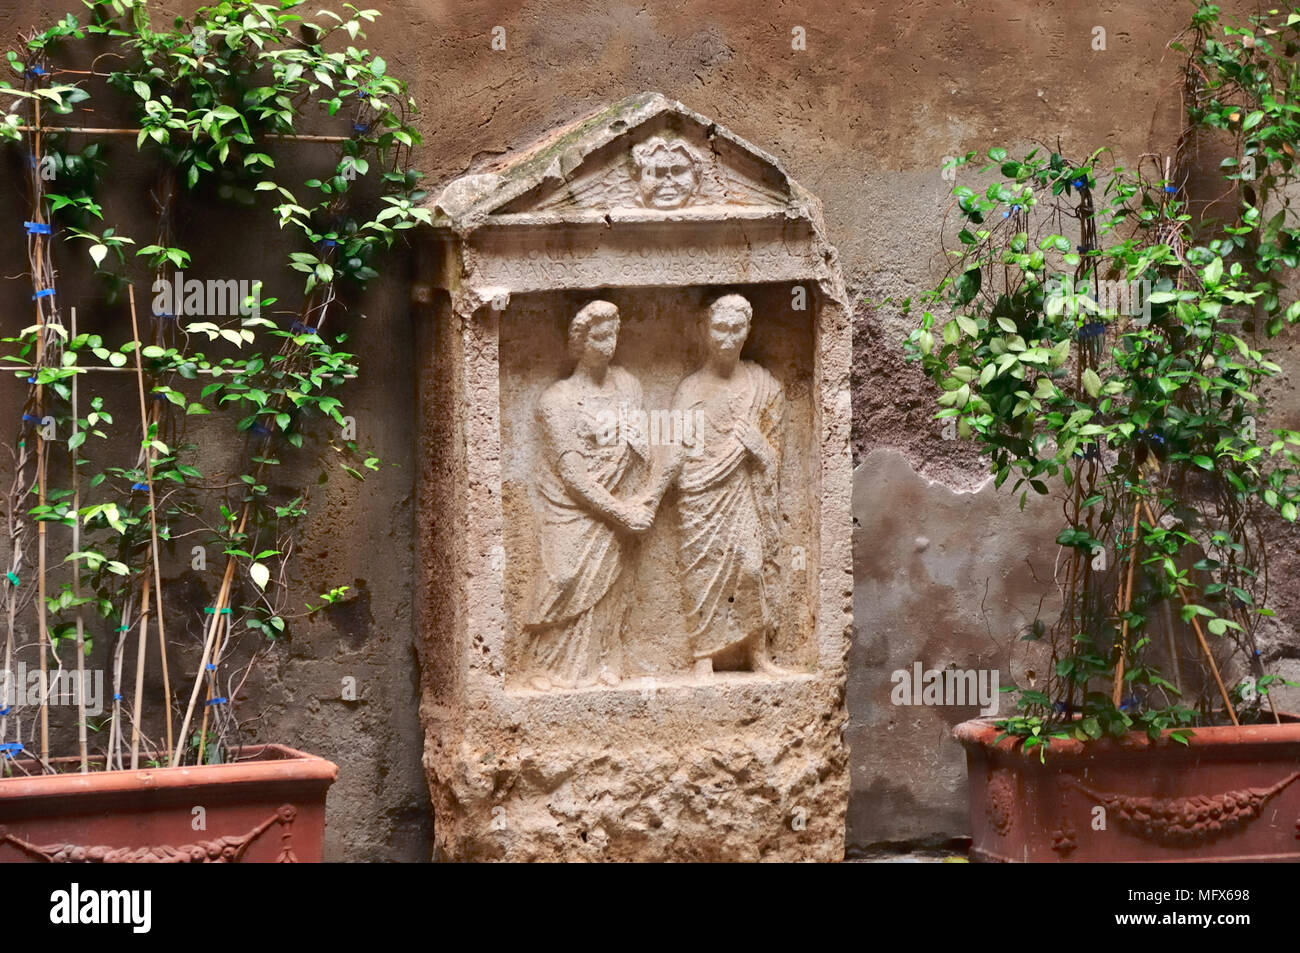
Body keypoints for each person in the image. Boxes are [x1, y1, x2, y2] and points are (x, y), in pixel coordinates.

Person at [638, 294, 786, 676]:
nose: (728, 338)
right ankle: (703, 656)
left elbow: (775, 461)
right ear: (705, 331)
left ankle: (758, 656)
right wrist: (650, 498)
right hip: (700, 496)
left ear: (747, 331)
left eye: (736, 329)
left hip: (741, 494)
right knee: (702, 574)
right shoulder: (691, 389)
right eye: (720, 328)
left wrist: (759, 448)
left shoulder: (763, 386)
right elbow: (672, 451)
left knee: (751, 569)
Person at [523, 301, 653, 690]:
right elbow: (573, 476)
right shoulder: (557, 400)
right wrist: (621, 513)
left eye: (612, 334)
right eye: (597, 337)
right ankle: (541, 664)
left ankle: (604, 661)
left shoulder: (629, 386)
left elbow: (640, 449)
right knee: (564, 578)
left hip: (620, 501)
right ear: (579, 343)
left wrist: (642, 489)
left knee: (611, 586)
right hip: (573, 509)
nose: (607, 344)